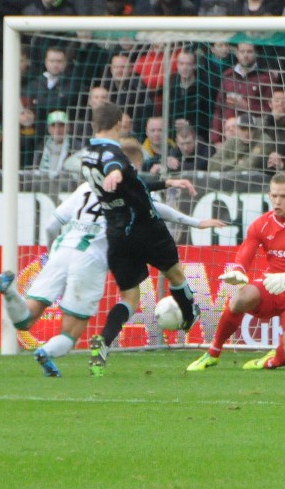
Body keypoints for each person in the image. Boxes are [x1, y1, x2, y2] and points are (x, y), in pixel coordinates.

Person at [0, 178, 225, 377]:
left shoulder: (84, 188)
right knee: (80, 327)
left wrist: (49, 253)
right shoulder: (126, 188)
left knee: (26, 319)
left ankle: (9, 291)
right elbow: (155, 208)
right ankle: (83, 345)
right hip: (91, 257)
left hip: (61, 249)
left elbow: (50, 225)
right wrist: (194, 221)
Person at [80, 102, 202, 376]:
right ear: (119, 124)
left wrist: (167, 182)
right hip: (144, 226)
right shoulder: (113, 152)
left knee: (130, 297)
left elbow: (130, 180)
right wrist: (115, 171)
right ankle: (189, 315)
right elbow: (117, 166)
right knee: (175, 274)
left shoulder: (87, 155)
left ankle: (104, 341)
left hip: (116, 233)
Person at [186, 172, 285, 371]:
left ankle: (270, 361)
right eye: (274, 196)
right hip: (271, 285)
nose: (278, 201)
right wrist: (238, 270)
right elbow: (245, 254)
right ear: (269, 195)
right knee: (240, 298)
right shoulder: (261, 224)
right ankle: (213, 353)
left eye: (284, 196)